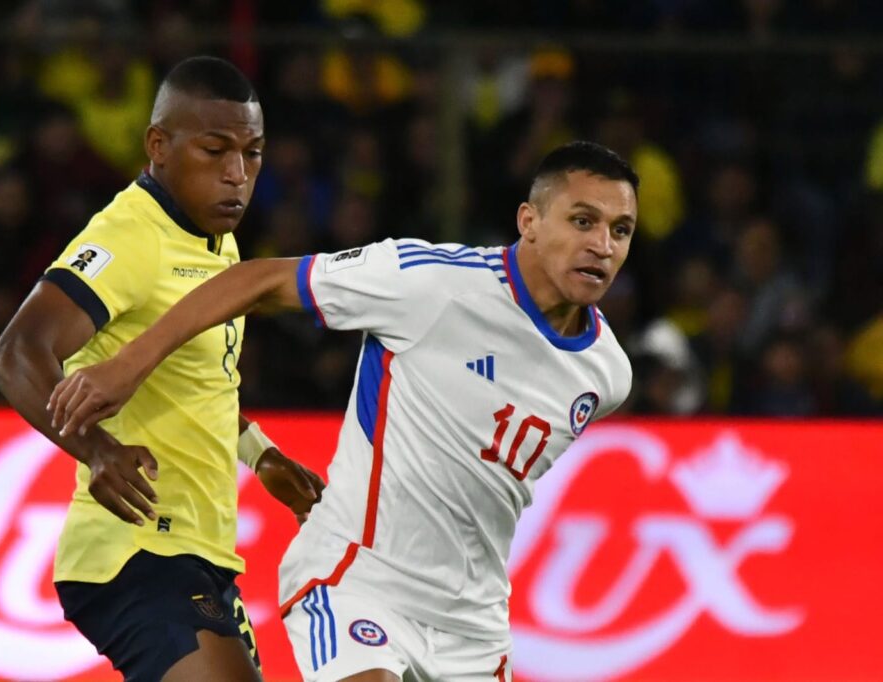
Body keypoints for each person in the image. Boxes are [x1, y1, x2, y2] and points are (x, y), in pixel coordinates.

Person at [48, 141, 638, 681]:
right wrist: (130, 363)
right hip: (359, 582)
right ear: (529, 222)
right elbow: (258, 280)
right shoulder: (429, 283)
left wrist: (256, 449)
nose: (602, 245)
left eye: (621, 230)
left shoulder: (606, 375)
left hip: (475, 627)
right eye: (582, 221)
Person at [0, 56, 324, 682]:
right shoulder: (130, 237)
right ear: (158, 146)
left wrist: (261, 456)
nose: (236, 174)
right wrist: (98, 450)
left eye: (252, 153)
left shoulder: (211, 234)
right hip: (136, 552)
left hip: (198, 554)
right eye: (215, 150)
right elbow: (16, 354)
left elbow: (200, 382)